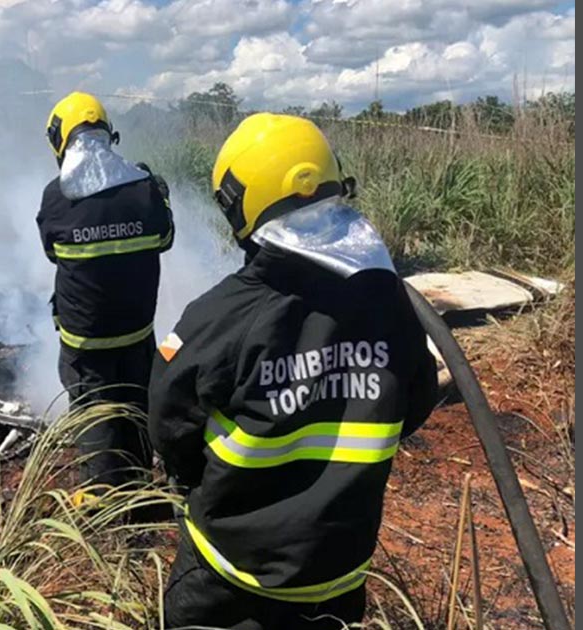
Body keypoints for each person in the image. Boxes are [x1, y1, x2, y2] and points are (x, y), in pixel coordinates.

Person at [149, 113, 439, 629]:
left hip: (231, 576)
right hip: (336, 576)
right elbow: (414, 402)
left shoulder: (224, 317)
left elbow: (170, 426)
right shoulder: (391, 303)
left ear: (241, 204)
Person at [36, 92, 175, 495]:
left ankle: (103, 508)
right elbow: (164, 238)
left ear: (60, 141)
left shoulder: (56, 197)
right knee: (135, 407)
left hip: (85, 341)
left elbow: (51, 251)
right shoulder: (144, 188)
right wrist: (160, 197)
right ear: (108, 134)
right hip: (136, 333)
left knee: (96, 418)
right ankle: (139, 487)